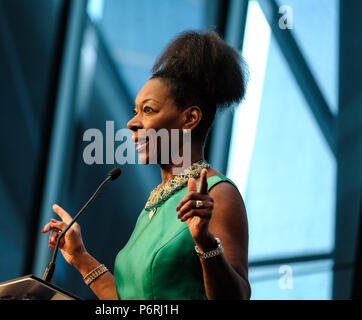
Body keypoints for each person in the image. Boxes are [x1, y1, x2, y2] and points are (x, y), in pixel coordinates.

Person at [41, 30, 250, 300]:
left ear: (190, 118)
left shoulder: (218, 194)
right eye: (134, 111)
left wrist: (205, 242)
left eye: (148, 110)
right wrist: (80, 258)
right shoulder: (155, 203)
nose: (132, 123)